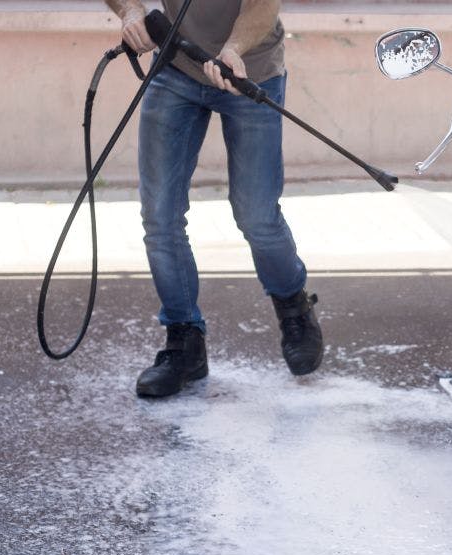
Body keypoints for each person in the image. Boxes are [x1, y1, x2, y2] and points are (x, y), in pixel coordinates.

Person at [105, 0, 322, 398]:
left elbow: (262, 6)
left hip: (248, 69)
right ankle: (184, 339)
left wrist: (234, 48)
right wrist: (130, 11)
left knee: (256, 215)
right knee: (160, 217)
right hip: (176, 68)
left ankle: (293, 305)